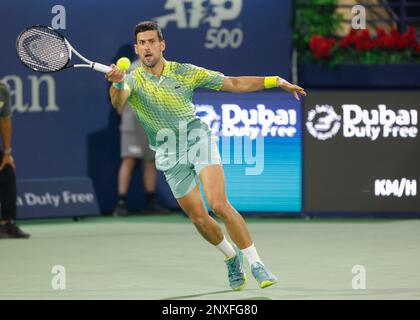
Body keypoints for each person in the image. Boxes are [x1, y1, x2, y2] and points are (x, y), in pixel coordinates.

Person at [106, 21, 306, 290]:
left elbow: (233, 83)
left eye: (152, 41)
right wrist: (117, 85)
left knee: (218, 203)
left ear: (162, 45)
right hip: (167, 152)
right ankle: (230, 257)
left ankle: (256, 263)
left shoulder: (185, 72)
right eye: (142, 43)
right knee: (199, 217)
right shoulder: (130, 79)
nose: (147, 47)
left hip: (196, 139)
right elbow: (119, 101)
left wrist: (275, 81)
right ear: (137, 48)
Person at [113, 59, 168, 216]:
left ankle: (150, 202)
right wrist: (124, 116)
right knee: (129, 159)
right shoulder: (131, 69)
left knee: (151, 162)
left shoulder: (164, 69)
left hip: (151, 124)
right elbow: (120, 97)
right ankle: (121, 203)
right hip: (132, 122)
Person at [0, 81, 30, 239]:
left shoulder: (2, 89)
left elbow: (4, 120)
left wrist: (7, 153)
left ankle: (7, 224)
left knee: (7, 171)